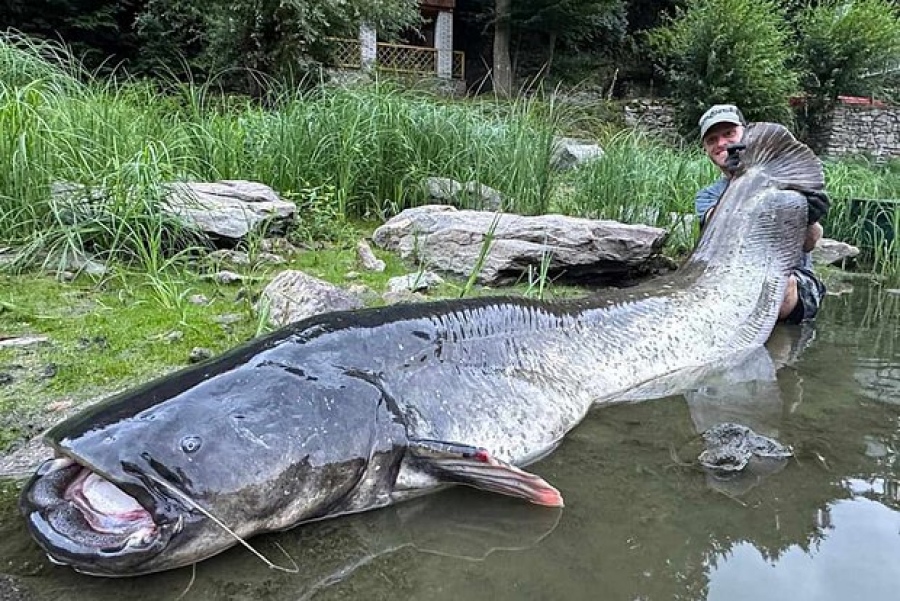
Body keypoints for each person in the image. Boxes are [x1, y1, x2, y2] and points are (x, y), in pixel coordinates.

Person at [694, 104, 829, 324]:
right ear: (706, 149)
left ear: (745, 133)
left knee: (778, 286)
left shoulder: (785, 179)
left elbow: (810, 242)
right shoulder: (707, 196)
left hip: (791, 281)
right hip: (731, 280)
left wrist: (810, 217)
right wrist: (741, 182)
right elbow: (717, 227)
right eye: (712, 140)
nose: (721, 144)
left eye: (729, 134)